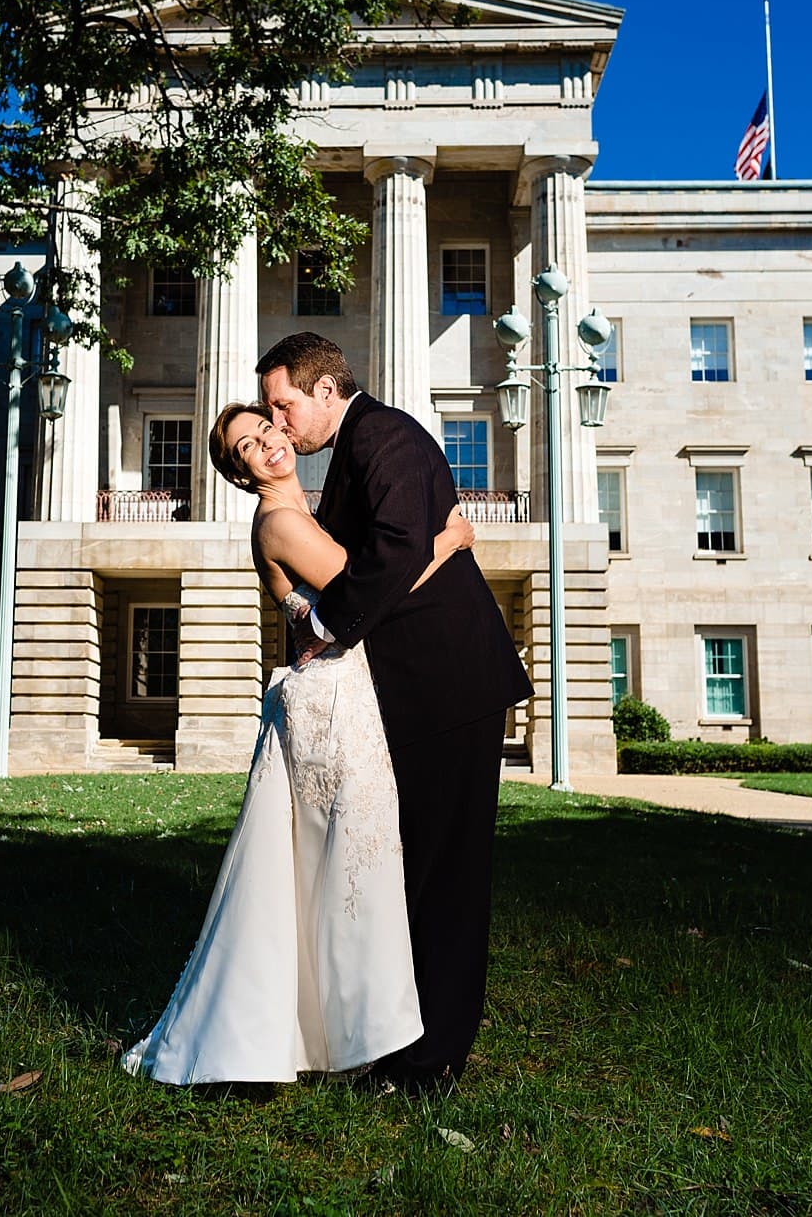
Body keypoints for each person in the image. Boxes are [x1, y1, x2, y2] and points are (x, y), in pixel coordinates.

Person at [120, 402, 477, 1085]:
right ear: (239, 470)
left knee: (334, 868)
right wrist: (449, 541)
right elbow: (376, 589)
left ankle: (344, 1028)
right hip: (332, 705)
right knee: (355, 869)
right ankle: (359, 1034)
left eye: (267, 430)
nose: (267, 445)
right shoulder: (281, 522)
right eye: (247, 447)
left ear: (285, 432)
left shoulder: (300, 508)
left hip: (336, 694)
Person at [257, 331, 532, 1094]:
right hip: (413, 690)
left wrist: (322, 627)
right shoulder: (351, 452)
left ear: (325, 390)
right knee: (413, 871)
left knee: (447, 875)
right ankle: (404, 1040)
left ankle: (434, 1060)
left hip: (451, 686)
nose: (280, 425)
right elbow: (401, 551)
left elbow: (395, 550)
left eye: (284, 405)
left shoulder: (385, 433)